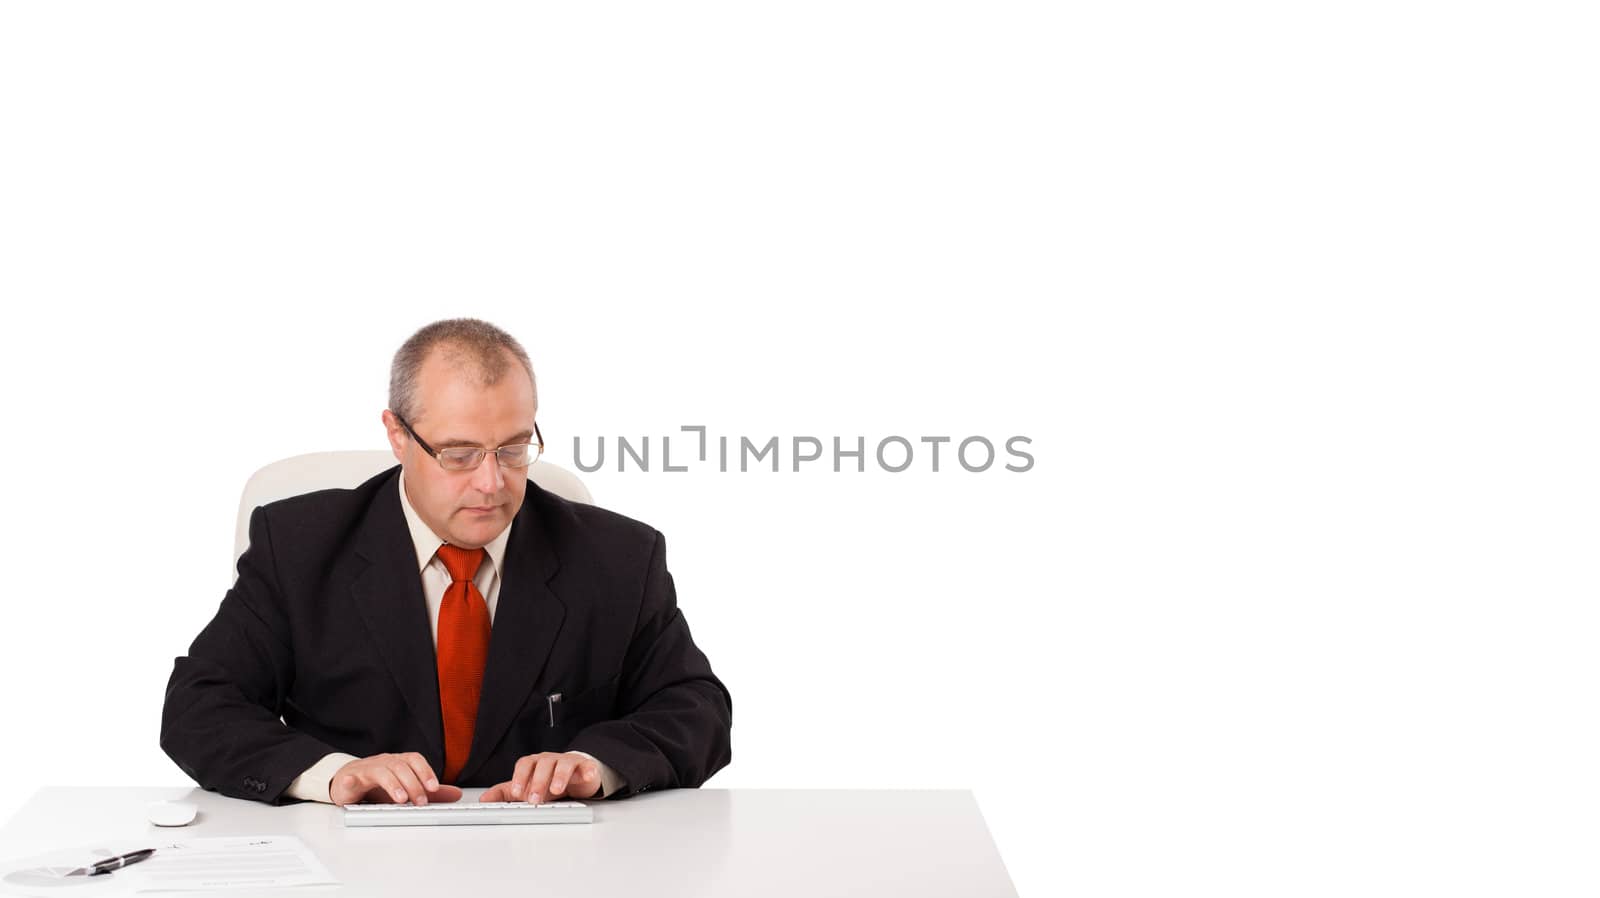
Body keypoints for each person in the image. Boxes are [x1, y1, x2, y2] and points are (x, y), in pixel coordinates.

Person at [161, 318, 732, 807]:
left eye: (512, 449)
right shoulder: (299, 546)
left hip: (550, 862)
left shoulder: (618, 558)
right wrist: (332, 774)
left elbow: (697, 708)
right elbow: (199, 706)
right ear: (397, 436)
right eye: (458, 454)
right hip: (355, 860)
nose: (491, 483)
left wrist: (595, 763)